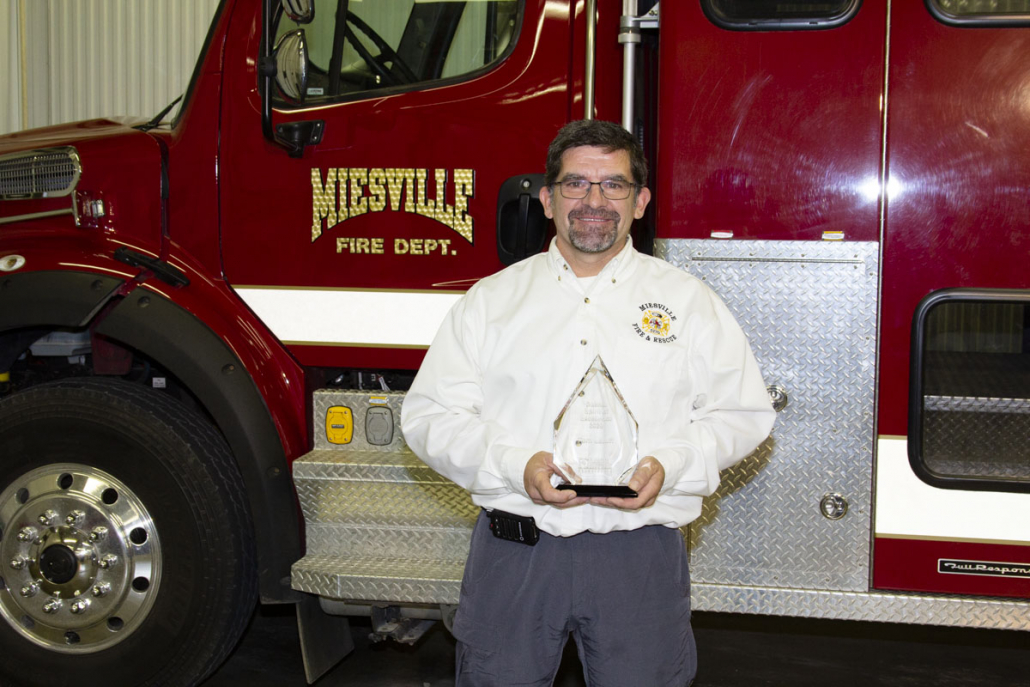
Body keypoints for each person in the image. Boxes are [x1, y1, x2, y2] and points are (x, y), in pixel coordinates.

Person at [401, 119, 775, 686]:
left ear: (641, 200)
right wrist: (514, 463)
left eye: (614, 185)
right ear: (548, 199)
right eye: (576, 184)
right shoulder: (491, 302)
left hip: (641, 556)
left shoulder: (688, 301)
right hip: (516, 553)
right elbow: (429, 417)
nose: (594, 201)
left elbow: (744, 414)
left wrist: (671, 464)